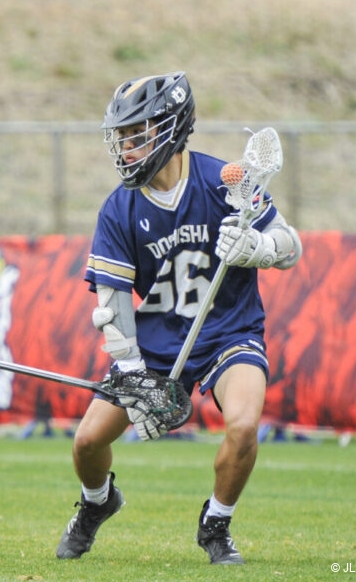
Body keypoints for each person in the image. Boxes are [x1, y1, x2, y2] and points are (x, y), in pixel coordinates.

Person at [55, 72, 301, 565]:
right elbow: (113, 301)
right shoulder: (119, 208)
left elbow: (290, 246)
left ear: (170, 127)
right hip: (156, 343)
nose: (126, 148)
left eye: (136, 134)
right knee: (86, 443)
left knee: (244, 425)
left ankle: (216, 524)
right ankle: (97, 503)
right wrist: (132, 374)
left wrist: (257, 247)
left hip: (229, 331)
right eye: (121, 137)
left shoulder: (224, 181)